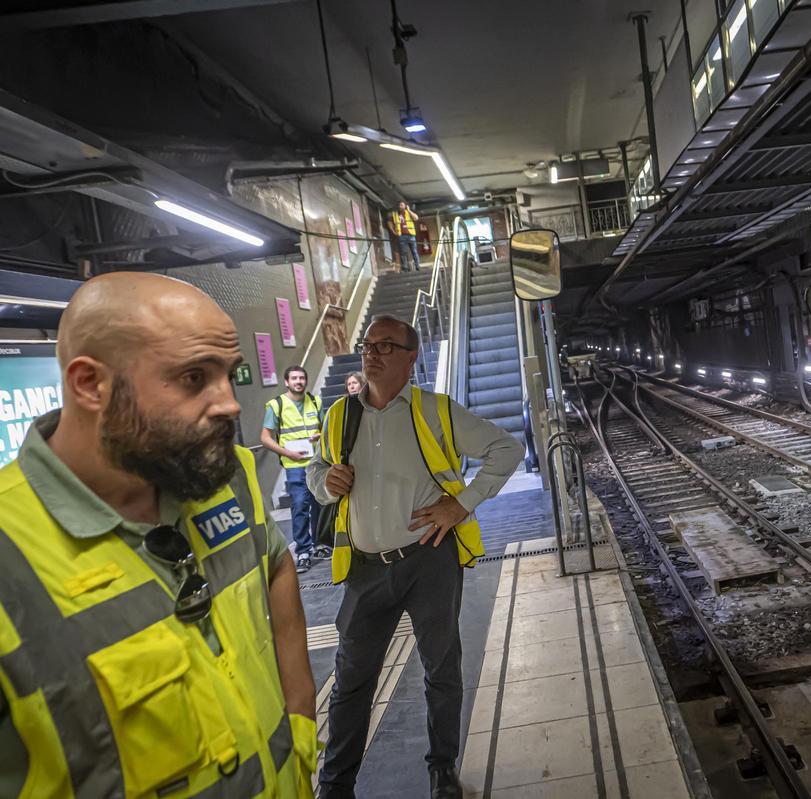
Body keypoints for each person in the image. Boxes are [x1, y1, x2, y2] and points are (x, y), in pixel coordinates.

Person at [0, 272, 317, 797]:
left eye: (229, 375)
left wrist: (301, 716)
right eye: (194, 378)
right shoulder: (12, 551)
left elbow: (277, 562)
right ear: (89, 384)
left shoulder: (226, 477)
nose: (230, 403)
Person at [308, 314, 522, 799]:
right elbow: (317, 471)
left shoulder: (436, 411)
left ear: (411, 358)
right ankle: (336, 786)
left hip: (428, 560)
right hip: (364, 567)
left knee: (441, 668)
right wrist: (325, 481)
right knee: (351, 679)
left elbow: (506, 449)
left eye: (386, 346)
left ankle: (441, 771)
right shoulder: (340, 416)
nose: (372, 353)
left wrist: (460, 503)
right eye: (368, 345)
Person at [261, 365, 327, 572]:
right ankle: (303, 551)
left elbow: (326, 428)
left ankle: (319, 544)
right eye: (294, 378)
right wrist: (286, 453)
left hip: (317, 464)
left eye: (302, 378)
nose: (299, 381)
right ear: (286, 382)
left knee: (319, 504)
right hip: (294, 466)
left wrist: (320, 435)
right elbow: (264, 438)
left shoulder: (315, 402)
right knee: (299, 505)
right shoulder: (276, 405)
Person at [390, 201, 421, 272]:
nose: (400, 206)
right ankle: (405, 268)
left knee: (414, 251)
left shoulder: (409, 213)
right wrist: (393, 231)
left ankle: (417, 266)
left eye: (401, 205)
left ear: (405, 206)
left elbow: (416, 218)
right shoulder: (395, 214)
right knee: (403, 253)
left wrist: (409, 210)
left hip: (411, 235)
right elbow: (389, 221)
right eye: (399, 205)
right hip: (401, 236)